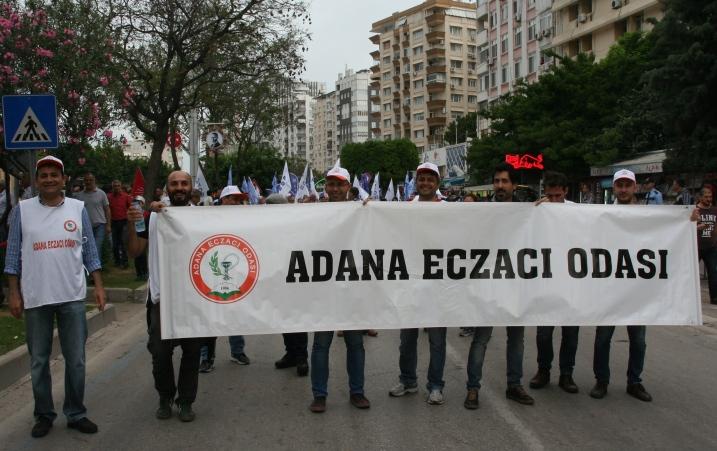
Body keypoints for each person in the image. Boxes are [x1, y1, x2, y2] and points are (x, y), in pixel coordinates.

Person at [4, 155, 106, 438]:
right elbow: (12, 256)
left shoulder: (78, 208)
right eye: (44, 175)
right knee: (39, 361)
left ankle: (75, 412)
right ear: (37, 181)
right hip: (37, 297)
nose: (49, 179)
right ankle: (44, 414)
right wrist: (14, 292)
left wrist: (98, 287)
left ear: (63, 179)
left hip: (72, 296)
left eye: (54, 174)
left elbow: (90, 252)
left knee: (76, 360)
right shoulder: (22, 211)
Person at [127, 171, 203, 422]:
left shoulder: (203, 218)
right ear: (167, 188)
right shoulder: (153, 217)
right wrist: (133, 223)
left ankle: (186, 401)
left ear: (191, 187)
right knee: (160, 352)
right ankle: (165, 395)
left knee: (192, 352)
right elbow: (135, 251)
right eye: (174, 184)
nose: (179, 187)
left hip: (193, 298)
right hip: (161, 299)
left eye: (184, 183)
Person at [464, 162, 534, 410]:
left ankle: (514, 385)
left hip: (516, 286)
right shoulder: (482, 212)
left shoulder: (529, 212)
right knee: (481, 339)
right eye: (497, 181)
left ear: (514, 185)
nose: (500, 186)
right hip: (488, 286)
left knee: (516, 340)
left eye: (505, 181)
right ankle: (473, 388)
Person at [309, 166, 370, 413]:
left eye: (340, 184)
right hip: (323, 289)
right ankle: (319, 395)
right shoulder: (313, 213)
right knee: (321, 345)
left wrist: (372, 211)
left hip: (352, 288)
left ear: (348, 187)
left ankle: (357, 392)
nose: (334, 189)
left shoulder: (361, 212)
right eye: (331, 184)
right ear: (326, 187)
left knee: (355, 343)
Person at [389, 162, 448, 405]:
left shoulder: (449, 209)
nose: (425, 183)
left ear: (437, 183)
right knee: (407, 340)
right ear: (416, 182)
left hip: (438, 286)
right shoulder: (406, 208)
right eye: (421, 179)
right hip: (410, 285)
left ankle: (435, 385)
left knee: (437, 341)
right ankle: (408, 380)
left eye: (430, 179)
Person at [591, 169, 651, 402]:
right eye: (620, 185)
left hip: (637, 290)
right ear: (614, 188)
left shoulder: (648, 217)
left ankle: (634, 382)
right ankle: (601, 380)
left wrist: (689, 222)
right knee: (603, 337)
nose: (624, 189)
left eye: (628, 185)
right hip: (609, 289)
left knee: (638, 340)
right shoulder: (603, 214)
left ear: (634, 187)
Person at [528, 171, 580, 394]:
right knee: (543, 333)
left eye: (558, 195)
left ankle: (567, 374)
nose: (555, 200)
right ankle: (544, 370)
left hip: (571, 282)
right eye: (551, 195)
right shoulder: (539, 210)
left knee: (570, 333)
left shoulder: (577, 212)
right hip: (547, 281)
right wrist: (534, 211)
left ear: (566, 192)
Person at [198, 186, 251, 373]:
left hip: (237, 275)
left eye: (239, 199)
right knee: (210, 318)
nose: (236, 203)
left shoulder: (245, 221)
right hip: (211, 275)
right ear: (223, 200)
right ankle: (206, 357)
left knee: (235, 314)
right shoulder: (207, 220)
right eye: (232, 199)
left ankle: (237, 351)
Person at [267, 193, 310, 377]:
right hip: (278, 279)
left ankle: (301, 358)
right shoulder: (266, 226)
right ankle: (291, 353)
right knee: (284, 319)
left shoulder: (297, 225)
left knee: (297, 320)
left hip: (296, 278)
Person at [73, 173, 111, 259]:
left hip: (100, 225)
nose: (88, 182)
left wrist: (108, 225)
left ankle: (97, 269)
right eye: (86, 180)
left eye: (91, 180)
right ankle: (90, 269)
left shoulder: (101, 193)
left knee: (97, 248)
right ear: (84, 182)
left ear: (94, 181)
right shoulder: (79, 195)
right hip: (85, 227)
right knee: (87, 249)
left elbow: (107, 209)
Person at [696, 186, 717, 304]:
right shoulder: (695, 210)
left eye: (710, 197)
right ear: (700, 197)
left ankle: (714, 297)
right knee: (692, 273)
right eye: (706, 197)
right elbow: (686, 226)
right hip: (697, 246)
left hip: (711, 246)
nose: (709, 199)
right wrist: (697, 227)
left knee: (713, 272)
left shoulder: (714, 210)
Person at [107, 180, 132, 269]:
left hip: (124, 221)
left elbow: (130, 207)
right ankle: (117, 261)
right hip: (113, 222)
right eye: (115, 186)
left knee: (123, 242)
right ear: (112, 187)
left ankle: (125, 262)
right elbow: (107, 209)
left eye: (118, 186)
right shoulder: (109, 197)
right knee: (115, 243)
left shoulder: (125, 196)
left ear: (121, 186)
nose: (116, 187)